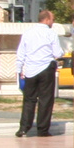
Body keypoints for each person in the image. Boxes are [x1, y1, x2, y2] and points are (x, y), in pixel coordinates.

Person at [14, 9, 60, 138]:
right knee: (45, 100)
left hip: (30, 70)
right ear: (46, 19)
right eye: (52, 19)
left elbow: (21, 53)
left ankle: (23, 128)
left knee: (29, 99)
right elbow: (57, 53)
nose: (53, 22)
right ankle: (42, 130)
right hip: (46, 68)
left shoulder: (28, 33)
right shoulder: (51, 34)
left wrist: (19, 70)